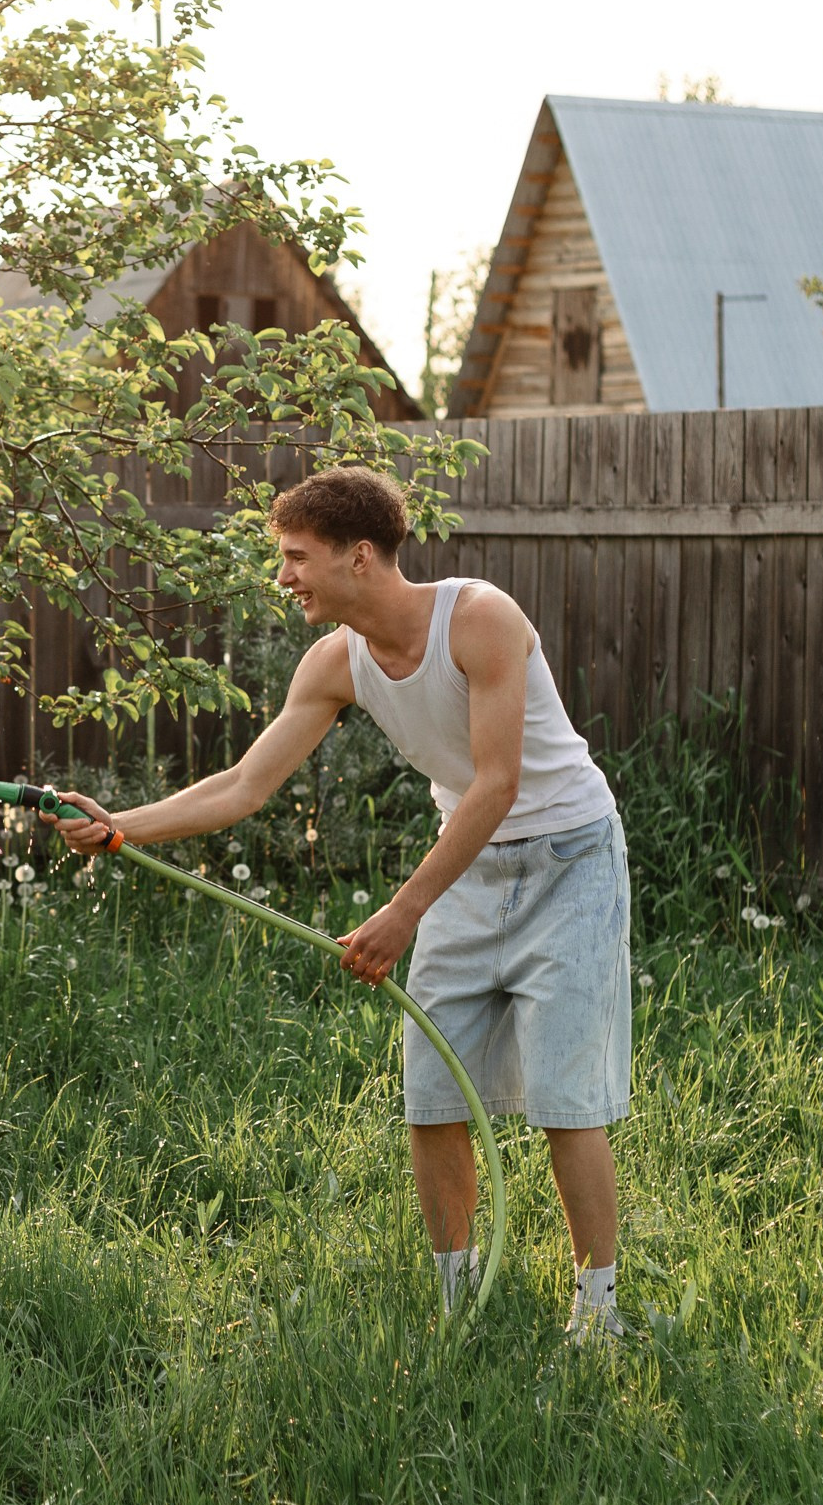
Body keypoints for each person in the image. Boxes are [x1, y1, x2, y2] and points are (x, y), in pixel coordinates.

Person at [48, 466, 630, 1342]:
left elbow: (498, 785)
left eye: (296, 556)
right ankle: (458, 1304)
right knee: (432, 1097)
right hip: (463, 870)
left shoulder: (480, 619)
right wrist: (120, 826)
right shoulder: (336, 663)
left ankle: (599, 1316)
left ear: (359, 556)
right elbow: (245, 785)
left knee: (563, 1100)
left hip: (568, 858)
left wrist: (403, 913)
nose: (282, 575)